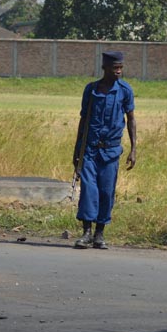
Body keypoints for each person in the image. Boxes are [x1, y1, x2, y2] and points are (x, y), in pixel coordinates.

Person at [72, 51, 137, 249]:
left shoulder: (125, 90)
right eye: (114, 68)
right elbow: (84, 120)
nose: (118, 71)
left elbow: (131, 119)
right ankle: (86, 233)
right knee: (88, 190)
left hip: (111, 151)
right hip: (90, 150)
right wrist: (77, 151)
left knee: (106, 191)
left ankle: (100, 234)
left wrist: (134, 149)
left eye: (120, 68)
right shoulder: (91, 89)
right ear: (105, 68)